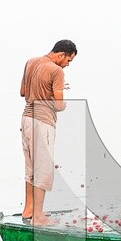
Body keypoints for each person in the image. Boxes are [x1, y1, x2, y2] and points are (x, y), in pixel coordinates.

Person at [19, 39, 77, 224]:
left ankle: (28, 210)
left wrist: (49, 89)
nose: (67, 65)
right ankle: (38, 217)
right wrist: (62, 100)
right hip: (43, 121)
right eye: (68, 60)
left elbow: (23, 92)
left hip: (27, 118)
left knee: (31, 167)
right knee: (43, 168)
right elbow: (58, 106)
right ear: (61, 55)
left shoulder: (31, 62)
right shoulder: (57, 70)